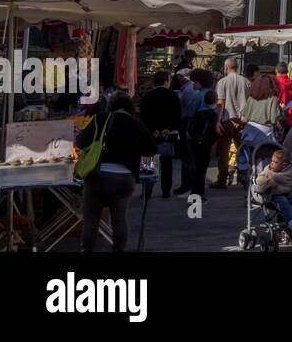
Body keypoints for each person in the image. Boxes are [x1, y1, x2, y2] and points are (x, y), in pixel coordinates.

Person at [75, 93, 157, 252]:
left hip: (99, 175)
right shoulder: (136, 123)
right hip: (125, 178)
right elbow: (151, 149)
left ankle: (87, 249)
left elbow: (80, 141)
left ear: (111, 105)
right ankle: (119, 250)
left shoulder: (101, 118)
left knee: (91, 219)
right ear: (130, 107)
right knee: (119, 219)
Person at [139, 70, 182, 198]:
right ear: (166, 81)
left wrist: (153, 130)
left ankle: (147, 191)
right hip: (167, 134)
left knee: (150, 163)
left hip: (152, 134)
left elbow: (144, 115)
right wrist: (169, 129)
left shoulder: (148, 96)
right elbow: (177, 114)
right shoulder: (173, 95)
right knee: (167, 164)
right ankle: (166, 190)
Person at [254, 148, 292, 234]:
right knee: (284, 202)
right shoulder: (268, 170)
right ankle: (291, 221)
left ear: (283, 165)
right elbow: (258, 180)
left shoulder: (291, 169)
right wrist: (267, 181)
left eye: (275, 162)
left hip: (291, 193)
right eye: (272, 161)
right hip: (276, 195)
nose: (271, 163)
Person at [214, 58, 250, 187]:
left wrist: (217, 121)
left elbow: (220, 103)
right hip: (242, 121)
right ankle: (243, 176)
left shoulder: (222, 82)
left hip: (227, 120)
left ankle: (222, 179)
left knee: (224, 151)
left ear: (226, 67)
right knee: (242, 150)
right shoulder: (246, 81)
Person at [186, 89, 220, 197]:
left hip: (194, 142)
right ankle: (199, 194)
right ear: (215, 102)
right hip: (205, 144)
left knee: (196, 168)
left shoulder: (198, 111)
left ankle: (193, 192)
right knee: (202, 170)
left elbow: (190, 128)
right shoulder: (212, 115)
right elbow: (214, 131)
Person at [275, 62, 292, 127]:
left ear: (276, 70)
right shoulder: (290, 83)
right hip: (291, 116)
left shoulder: (276, 82)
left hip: (279, 118)